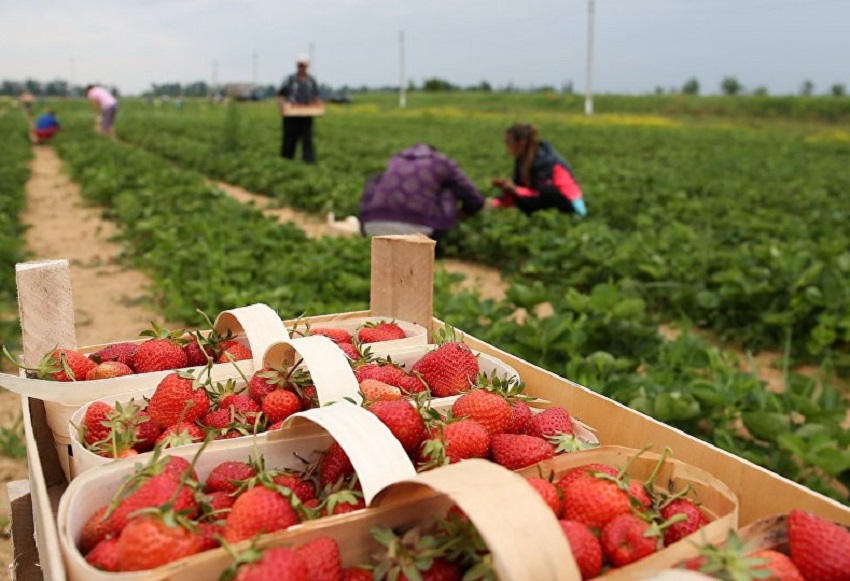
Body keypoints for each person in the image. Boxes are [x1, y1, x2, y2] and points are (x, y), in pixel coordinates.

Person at [358, 143, 485, 255]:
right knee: (448, 189)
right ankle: (438, 249)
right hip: (418, 230)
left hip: (373, 226)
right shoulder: (440, 162)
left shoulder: (395, 160)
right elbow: (474, 198)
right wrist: (463, 213)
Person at [491, 123, 587, 217]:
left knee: (543, 194)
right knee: (519, 197)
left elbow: (539, 193)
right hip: (546, 198)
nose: (507, 149)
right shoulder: (521, 159)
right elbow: (520, 187)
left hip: (572, 206)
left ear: (521, 144)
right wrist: (503, 196)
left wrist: (515, 190)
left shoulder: (545, 161)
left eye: (509, 144)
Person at [276, 54, 321, 163]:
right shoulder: (290, 79)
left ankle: (309, 162)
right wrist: (281, 107)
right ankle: (286, 160)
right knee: (289, 139)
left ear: (307, 66)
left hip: (306, 115)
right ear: (297, 66)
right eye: (300, 65)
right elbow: (280, 94)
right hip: (291, 114)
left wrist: (319, 106)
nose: (302, 68)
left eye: (304, 65)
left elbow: (315, 96)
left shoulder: (311, 80)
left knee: (307, 139)